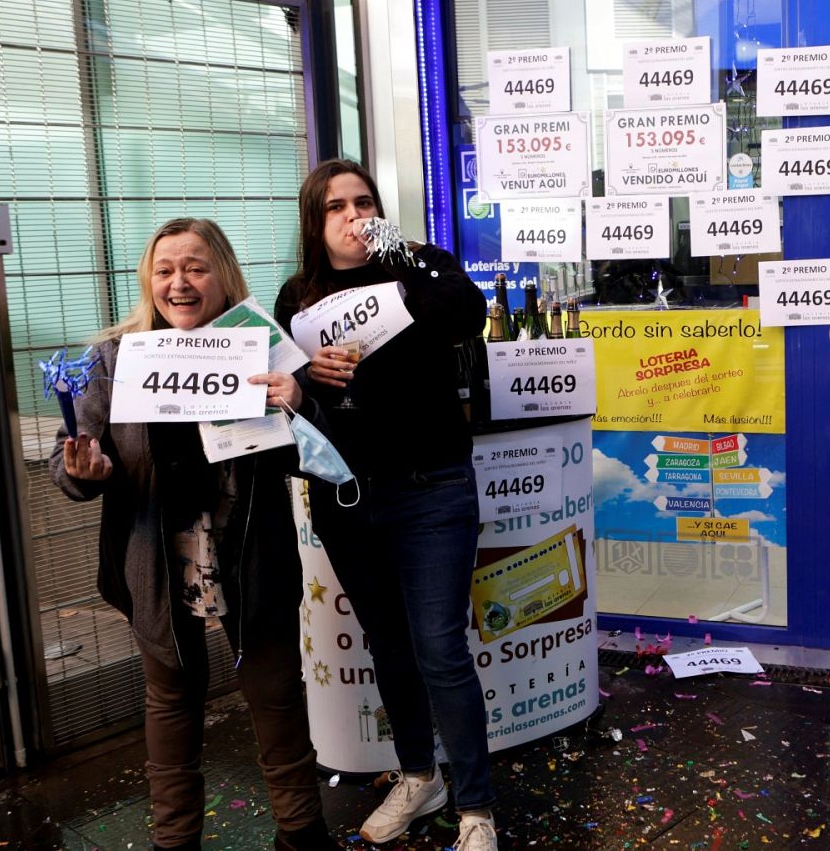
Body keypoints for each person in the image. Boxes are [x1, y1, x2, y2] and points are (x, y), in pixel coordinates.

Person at [50, 218, 337, 851]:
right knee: (171, 700)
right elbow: (70, 460)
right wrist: (84, 470)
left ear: (222, 274)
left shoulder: (261, 346)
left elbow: (316, 452)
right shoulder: (115, 359)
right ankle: (174, 841)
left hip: (251, 552)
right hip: (158, 557)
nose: (179, 283)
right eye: (165, 270)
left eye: (195, 268)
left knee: (276, 694)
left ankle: (302, 833)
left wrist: (299, 402)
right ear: (148, 282)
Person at [273, 160, 496, 851]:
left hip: (432, 487)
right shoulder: (298, 295)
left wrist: (400, 251)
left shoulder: (421, 266)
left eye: (364, 202)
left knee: (439, 648)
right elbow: (291, 404)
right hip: (346, 495)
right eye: (336, 206)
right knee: (390, 646)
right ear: (315, 221)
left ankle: (476, 809)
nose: (353, 215)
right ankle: (417, 775)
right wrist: (308, 376)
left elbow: (467, 317)